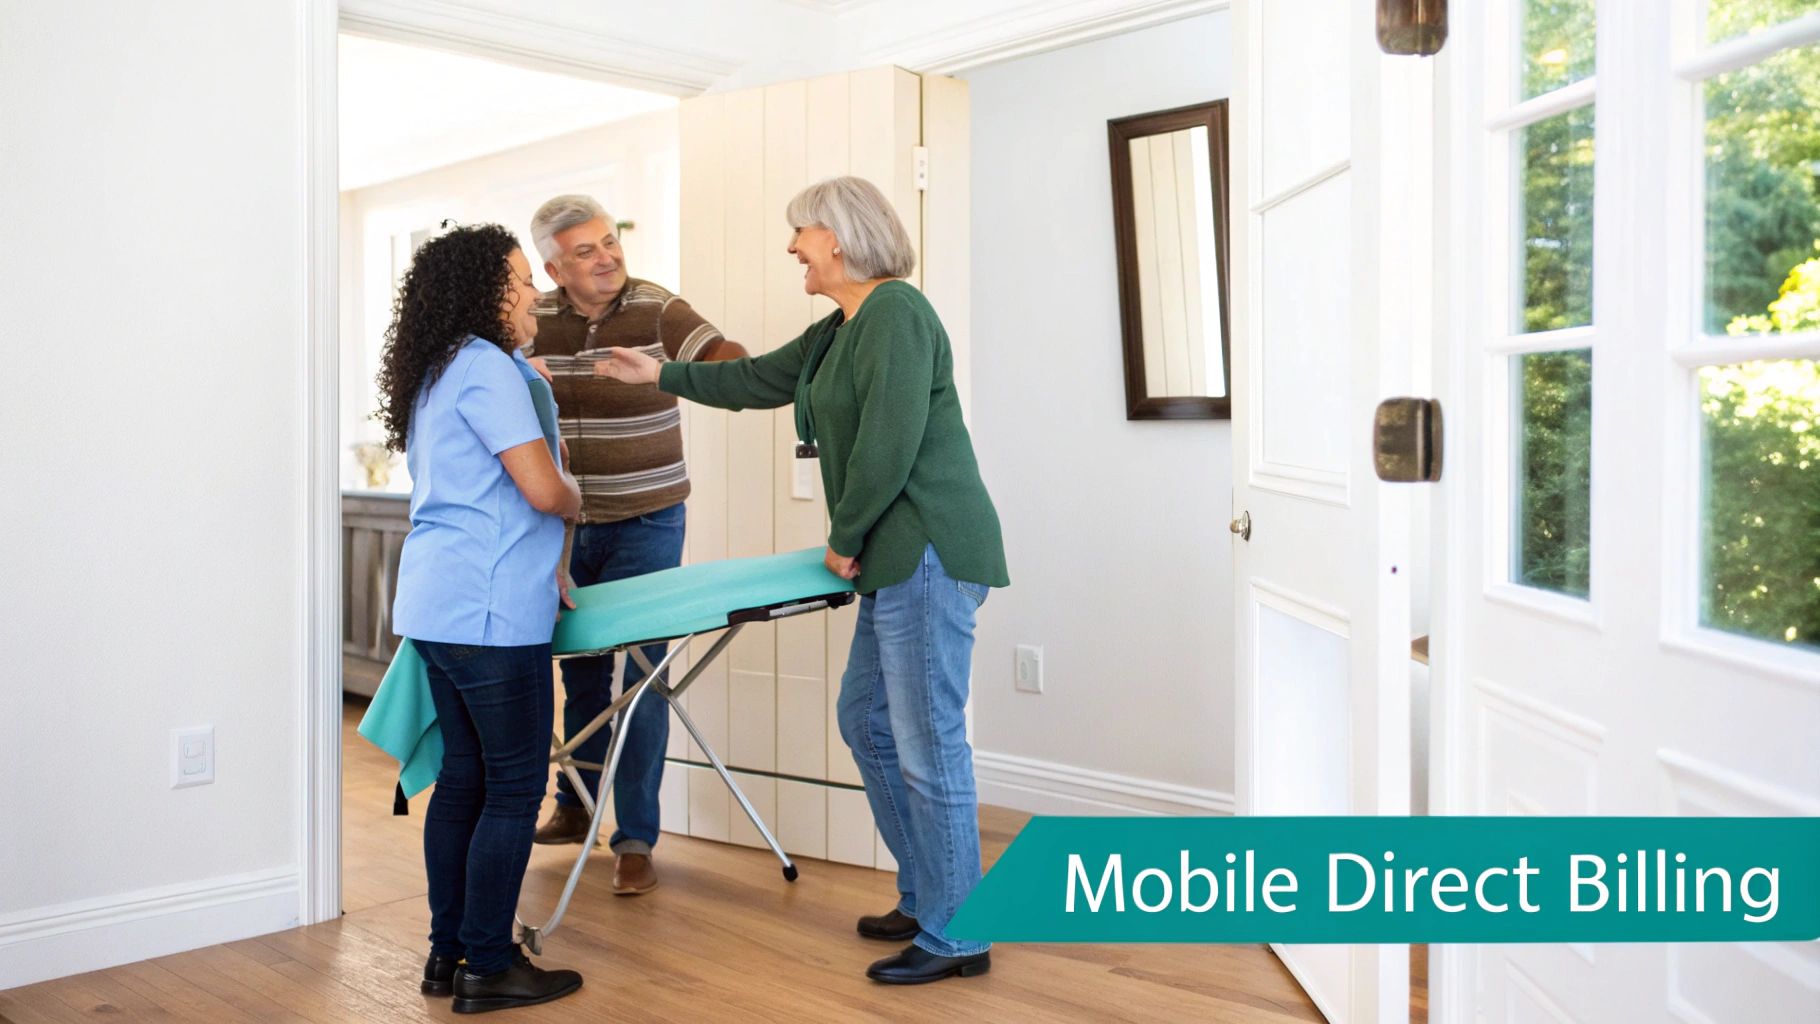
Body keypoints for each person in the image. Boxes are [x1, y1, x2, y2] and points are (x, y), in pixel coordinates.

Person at [594, 176, 1009, 985]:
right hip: (894, 558)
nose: (793, 248)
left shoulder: (897, 312)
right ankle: (930, 897)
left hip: (926, 551)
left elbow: (891, 440)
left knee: (928, 744)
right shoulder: (838, 330)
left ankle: (960, 933)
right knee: (868, 719)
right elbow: (754, 382)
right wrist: (656, 375)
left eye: (802, 233)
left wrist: (844, 537)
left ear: (842, 238)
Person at [376, 223, 585, 1014]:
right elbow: (541, 490)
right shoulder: (490, 369)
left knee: (463, 781)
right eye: (523, 280)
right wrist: (577, 498)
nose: (534, 293)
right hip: (491, 614)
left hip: (435, 604)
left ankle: (448, 953)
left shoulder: (440, 368)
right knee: (512, 789)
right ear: (488, 292)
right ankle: (491, 966)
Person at [522, 195, 748, 897]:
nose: (607, 257)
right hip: (563, 530)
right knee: (582, 677)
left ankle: (636, 838)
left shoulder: (656, 307)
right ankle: (576, 805)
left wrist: (716, 363)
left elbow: (727, 362)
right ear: (553, 268)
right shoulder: (537, 319)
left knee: (644, 675)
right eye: (586, 250)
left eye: (610, 242)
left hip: (647, 521)